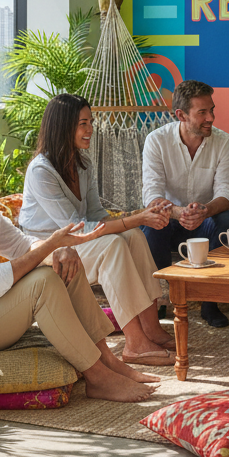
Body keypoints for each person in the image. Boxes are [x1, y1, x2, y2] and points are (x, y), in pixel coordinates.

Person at [0, 117, 159, 402]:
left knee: (63, 264)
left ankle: (107, 361)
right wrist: (50, 245)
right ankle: (98, 378)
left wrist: (56, 251)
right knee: (44, 281)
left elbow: (20, 244)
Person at [20, 94, 176, 366]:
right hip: (49, 250)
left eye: (90, 121)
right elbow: (74, 228)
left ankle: (151, 329)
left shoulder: (83, 164)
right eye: (83, 123)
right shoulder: (40, 171)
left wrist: (135, 221)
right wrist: (137, 217)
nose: (90, 128)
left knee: (133, 237)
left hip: (78, 241)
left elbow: (96, 216)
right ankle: (134, 344)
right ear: (63, 127)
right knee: (114, 245)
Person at [141, 79, 229, 328]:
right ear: (181, 115)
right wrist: (177, 212)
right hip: (170, 221)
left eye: (212, 110)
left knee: (228, 221)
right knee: (152, 224)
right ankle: (160, 298)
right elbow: (151, 195)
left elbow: (227, 192)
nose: (211, 117)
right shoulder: (157, 141)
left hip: (203, 223)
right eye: (202, 112)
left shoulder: (223, 141)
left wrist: (205, 210)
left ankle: (209, 303)